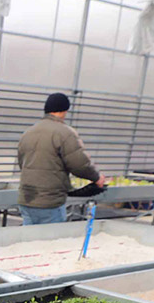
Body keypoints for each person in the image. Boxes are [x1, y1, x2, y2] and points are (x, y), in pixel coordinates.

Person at [16, 92, 104, 225]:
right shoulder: (65, 133)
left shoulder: (28, 133)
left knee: (30, 242)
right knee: (51, 242)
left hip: (26, 199)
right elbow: (79, 164)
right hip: (49, 201)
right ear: (64, 110)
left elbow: (22, 163)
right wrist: (96, 178)